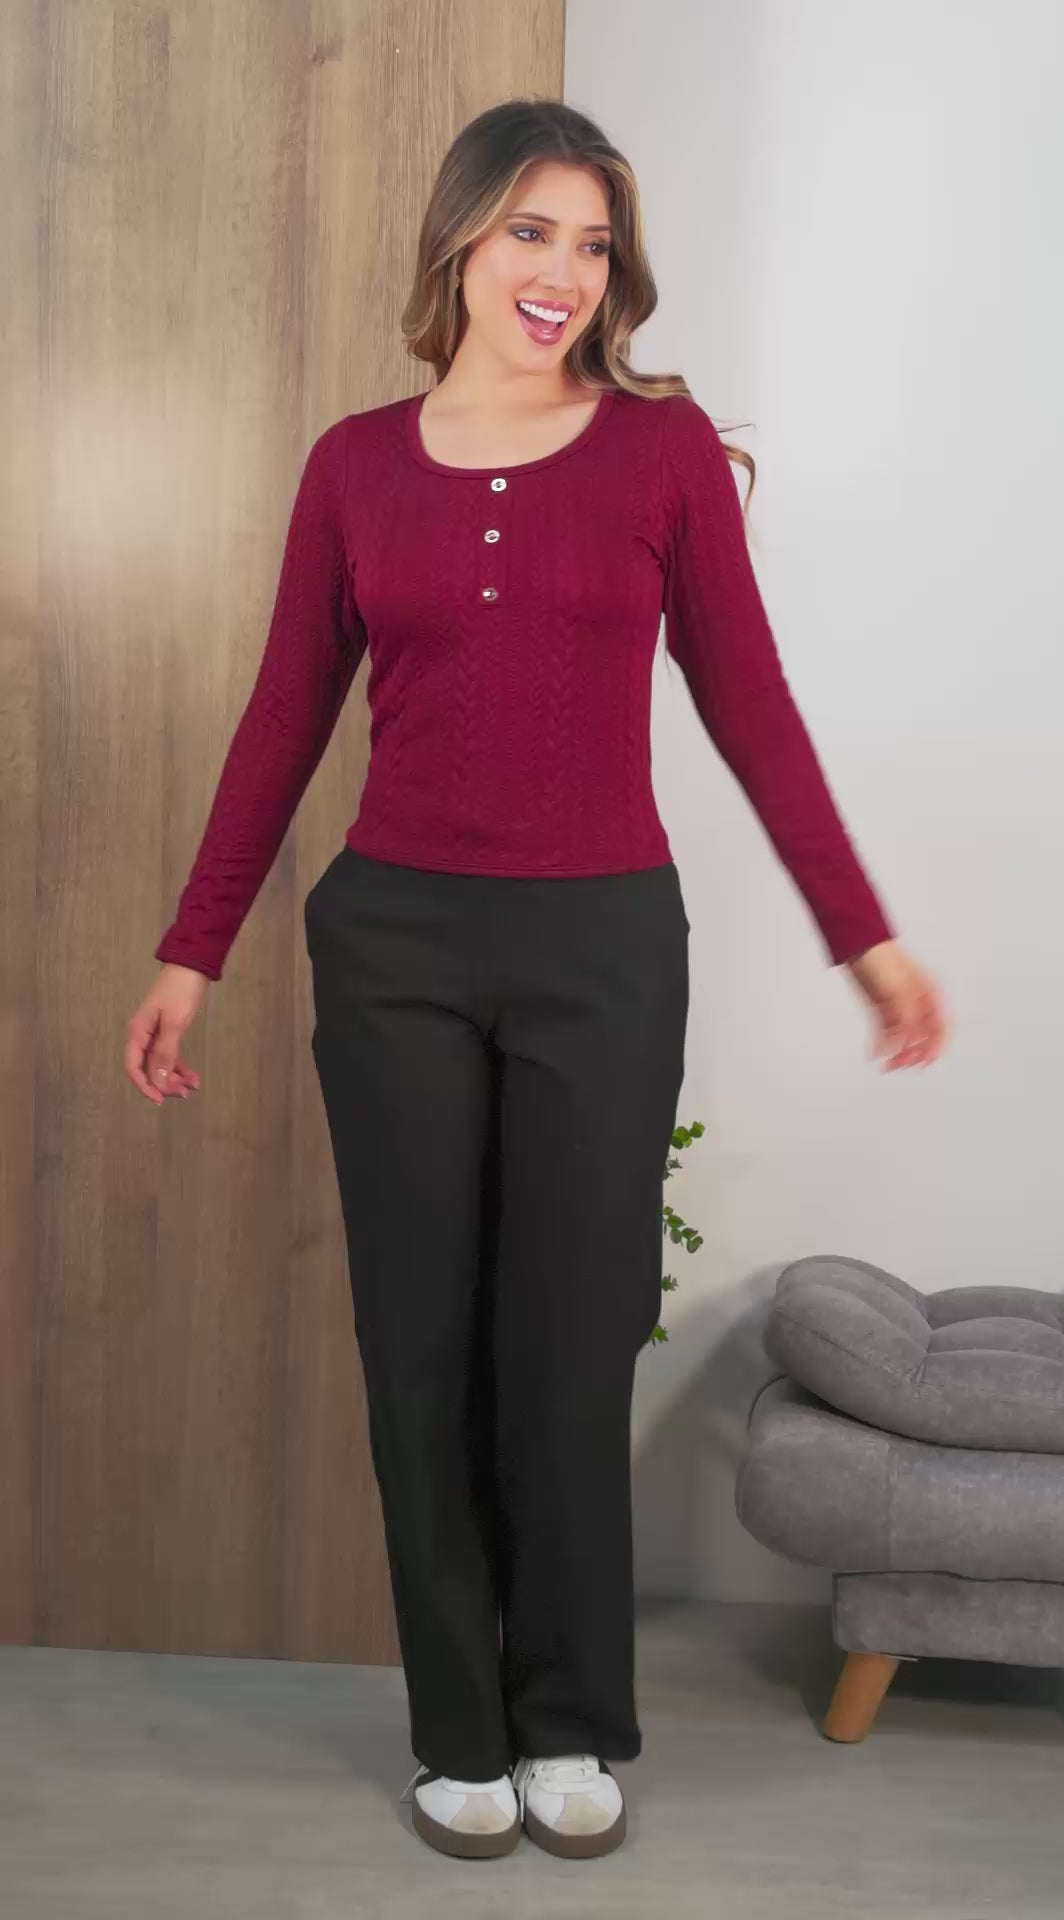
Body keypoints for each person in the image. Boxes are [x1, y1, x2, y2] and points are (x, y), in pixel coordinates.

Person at [124, 98, 949, 1862]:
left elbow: (751, 704)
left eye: (591, 241)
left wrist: (860, 929)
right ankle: (460, 1732)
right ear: (460, 242)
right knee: (417, 1347)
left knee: (570, 1341)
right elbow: (284, 718)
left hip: (601, 950)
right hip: (397, 949)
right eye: (530, 232)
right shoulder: (354, 465)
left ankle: (570, 1717)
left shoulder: (660, 456)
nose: (563, 270)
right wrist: (193, 947)